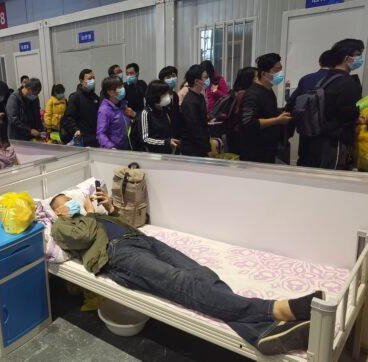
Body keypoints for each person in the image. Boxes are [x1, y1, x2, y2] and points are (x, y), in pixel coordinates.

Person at [49, 189, 324, 356]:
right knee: (180, 282)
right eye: (65, 201)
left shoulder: (94, 215)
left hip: (142, 240)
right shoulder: (60, 227)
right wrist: (84, 213)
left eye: (71, 198)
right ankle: (277, 310)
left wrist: (107, 208)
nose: (71, 201)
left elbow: (127, 223)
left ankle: (259, 334)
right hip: (119, 255)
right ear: (56, 210)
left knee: (200, 273)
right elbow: (83, 239)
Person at [298, 39, 364, 169]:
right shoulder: (347, 82)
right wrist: (358, 119)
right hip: (335, 142)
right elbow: (348, 114)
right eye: (358, 54)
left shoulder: (326, 79)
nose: (360, 58)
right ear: (347, 57)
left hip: (316, 139)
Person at [283, 50, 336, 166]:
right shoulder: (339, 80)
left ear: (320, 62)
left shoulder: (306, 79)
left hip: (306, 129)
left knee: (304, 161)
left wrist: (289, 131)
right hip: (327, 133)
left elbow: (292, 104)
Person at [241, 53, 293, 163]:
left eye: (281, 70)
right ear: (264, 73)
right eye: (276, 70)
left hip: (269, 148)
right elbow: (249, 123)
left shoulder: (268, 90)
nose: (280, 74)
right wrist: (277, 120)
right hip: (255, 152)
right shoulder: (253, 94)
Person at [130, 80, 180, 154]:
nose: (167, 96)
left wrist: (170, 142)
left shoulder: (164, 110)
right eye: (164, 94)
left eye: (167, 93)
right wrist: (166, 142)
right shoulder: (145, 113)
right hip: (152, 155)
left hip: (166, 153)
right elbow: (145, 139)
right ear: (155, 96)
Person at [60, 69, 100, 147]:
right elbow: (69, 118)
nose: (92, 80)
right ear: (81, 81)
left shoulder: (95, 97)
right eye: (89, 78)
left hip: (94, 138)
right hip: (81, 138)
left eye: (93, 78)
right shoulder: (75, 97)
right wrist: (76, 130)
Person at [180, 65, 211, 157]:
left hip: (200, 144)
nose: (208, 80)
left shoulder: (200, 97)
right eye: (205, 77)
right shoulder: (190, 101)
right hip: (192, 148)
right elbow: (195, 129)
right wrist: (207, 148)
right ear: (196, 81)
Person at [226, 67, 258, 155]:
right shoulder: (244, 95)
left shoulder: (234, 92)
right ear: (249, 79)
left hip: (233, 133)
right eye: (256, 77)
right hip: (240, 135)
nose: (258, 79)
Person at [97, 76, 130, 150]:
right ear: (110, 92)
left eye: (122, 86)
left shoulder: (123, 105)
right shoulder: (104, 110)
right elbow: (100, 133)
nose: (122, 89)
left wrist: (134, 116)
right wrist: (110, 147)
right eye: (119, 87)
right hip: (113, 151)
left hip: (126, 148)